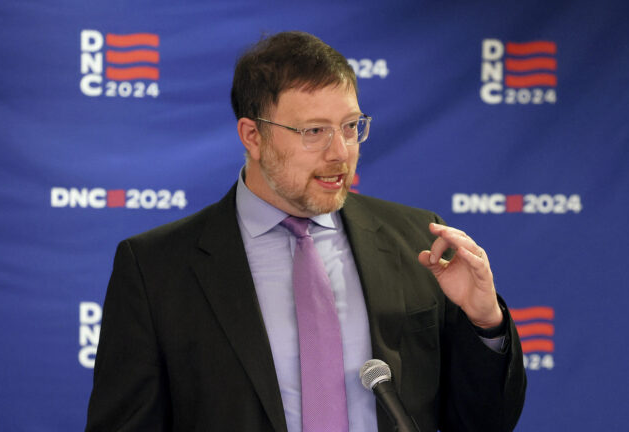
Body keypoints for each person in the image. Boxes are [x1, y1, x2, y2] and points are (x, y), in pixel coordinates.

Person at [86, 31, 526, 432]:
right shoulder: (156, 269)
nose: (341, 153)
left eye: (351, 127)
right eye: (314, 131)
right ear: (253, 136)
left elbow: (484, 422)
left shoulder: (417, 242)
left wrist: (485, 324)